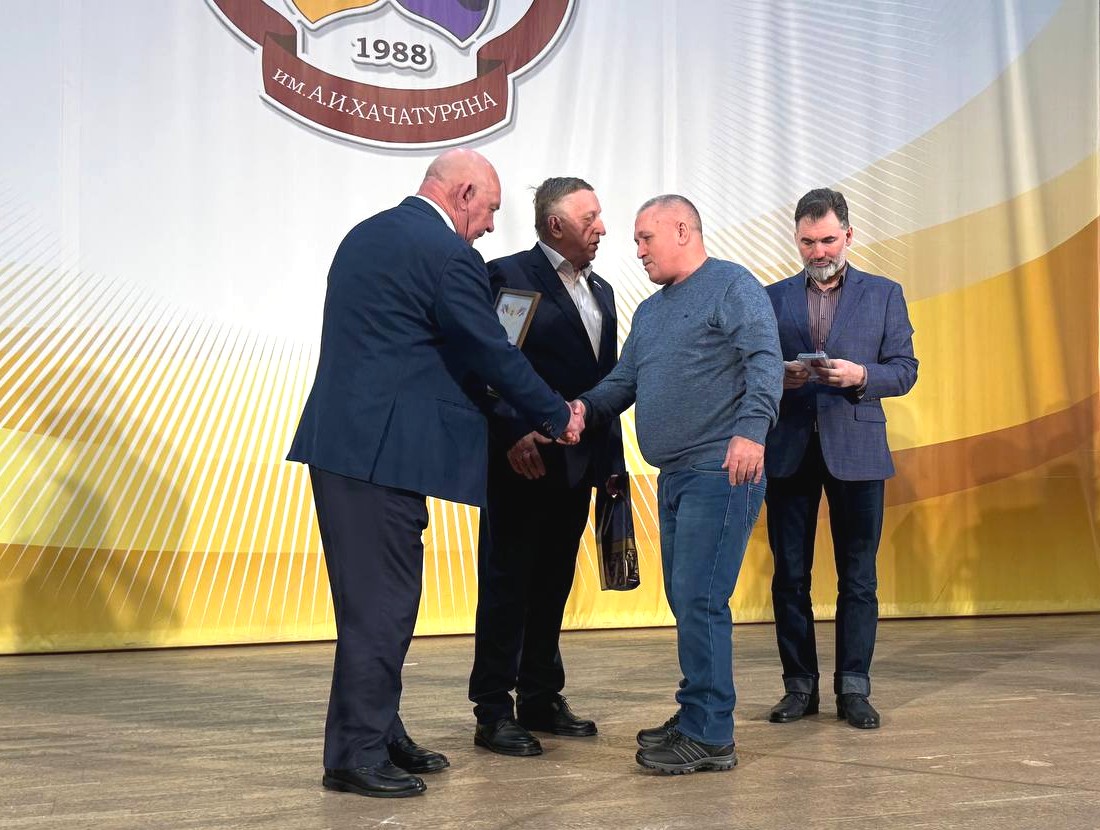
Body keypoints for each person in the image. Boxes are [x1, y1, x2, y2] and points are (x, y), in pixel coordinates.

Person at [286, 149, 584, 799]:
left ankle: (381, 730)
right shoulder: (448, 255)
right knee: (382, 609)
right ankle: (356, 755)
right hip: (380, 455)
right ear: (463, 193)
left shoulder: (366, 235)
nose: (490, 225)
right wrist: (555, 412)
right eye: (490, 209)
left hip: (347, 448)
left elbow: (406, 346)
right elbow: (488, 350)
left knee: (372, 606)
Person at [576, 195, 782, 775]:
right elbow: (622, 381)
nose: (638, 250)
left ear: (684, 231)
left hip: (722, 470)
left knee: (700, 598)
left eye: (646, 238)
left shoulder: (732, 286)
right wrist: (579, 410)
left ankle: (711, 735)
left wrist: (751, 432)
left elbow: (765, 360)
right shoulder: (650, 312)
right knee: (686, 597)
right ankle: (697, 712)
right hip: (676, 476)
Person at [469, 177, 623, 756]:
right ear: (555, 225)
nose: (602, 228)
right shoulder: (511, 277)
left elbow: (607, 383)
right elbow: (490, 365)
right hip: (522, 464)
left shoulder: (602, 290)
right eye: (589, 218)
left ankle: (539, 695)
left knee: (554, 582)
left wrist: (610, 461)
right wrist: (512, 431)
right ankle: (492, 709)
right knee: (508, 583)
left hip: (578, 466)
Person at [763, 187, 917, 730]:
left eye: (828, 240)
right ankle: (798, 687)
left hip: (858, 450)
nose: (819, 252)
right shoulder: (770, 297)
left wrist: (861, 376)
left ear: (849, 235)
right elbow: (749, 368)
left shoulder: (885, 294)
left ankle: (854, 687)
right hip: (789, 451)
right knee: (790, 577)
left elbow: (905, 369)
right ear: (796, 239)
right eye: (808, 242)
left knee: (858, 578)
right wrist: (778, 376)